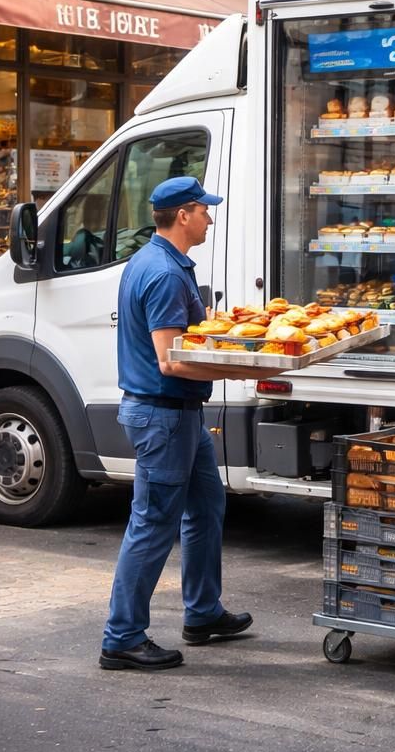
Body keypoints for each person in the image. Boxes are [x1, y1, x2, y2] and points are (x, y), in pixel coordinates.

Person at [99, 176, 275, 671]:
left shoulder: (154, 261)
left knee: (206, 506)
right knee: (153, 524)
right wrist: (243, 370)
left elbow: (182, 341)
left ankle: (202, 613)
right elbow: (171, 361)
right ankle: (121, 638)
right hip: (164, 416)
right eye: (203, 210)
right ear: (183, 215)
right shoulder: (164, 274)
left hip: (178, 416)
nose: (209, 218)